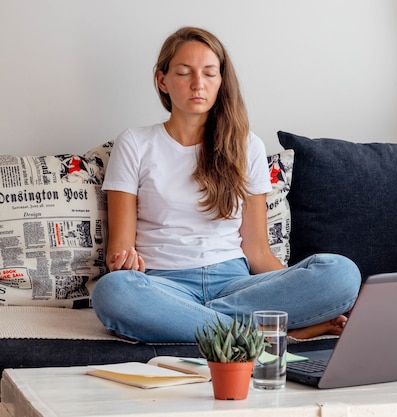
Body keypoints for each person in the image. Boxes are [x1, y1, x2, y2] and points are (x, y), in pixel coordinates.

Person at [91, 26, 361, 343]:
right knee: (113, 291)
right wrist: (123, 262)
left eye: (209, 73)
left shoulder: (247, 146)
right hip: (163, 286)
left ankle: (197, 325)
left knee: (341, 273)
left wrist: (295, 286)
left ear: (221, 80)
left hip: (234, 285)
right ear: (162, 80)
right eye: (184, 73)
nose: (198, 84)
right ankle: (269, 333)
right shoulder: (134, 142)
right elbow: (119, 251)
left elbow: (257, 250)